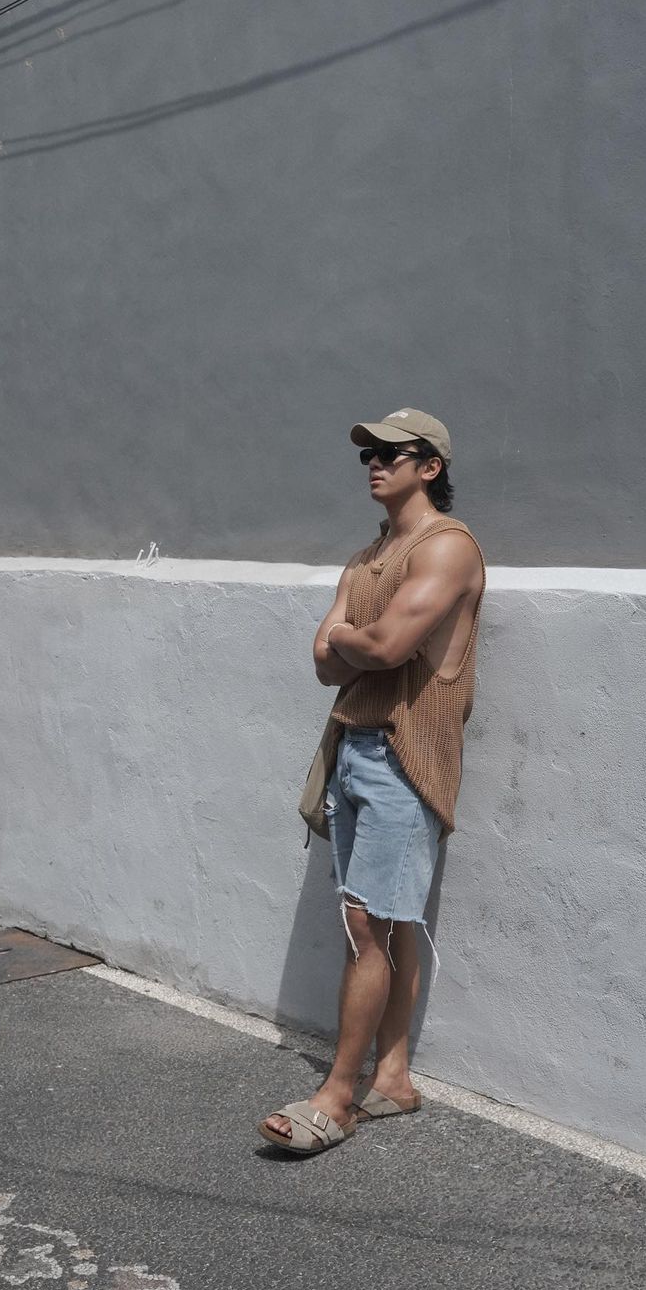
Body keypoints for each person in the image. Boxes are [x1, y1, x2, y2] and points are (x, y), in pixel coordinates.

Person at [258, 409, 485, 1154]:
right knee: (386, 922)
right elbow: (325, 662)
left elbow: (379, 645)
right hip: (353, 746)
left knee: (367, 927)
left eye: (394, 453)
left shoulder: (447, 548)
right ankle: (393, 1078)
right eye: (369, 454)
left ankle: (337, 1095)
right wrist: (359, 644)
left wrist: (356, 638)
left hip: (404, 754)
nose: (375, 463)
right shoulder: (367, 558)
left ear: (430, 467)